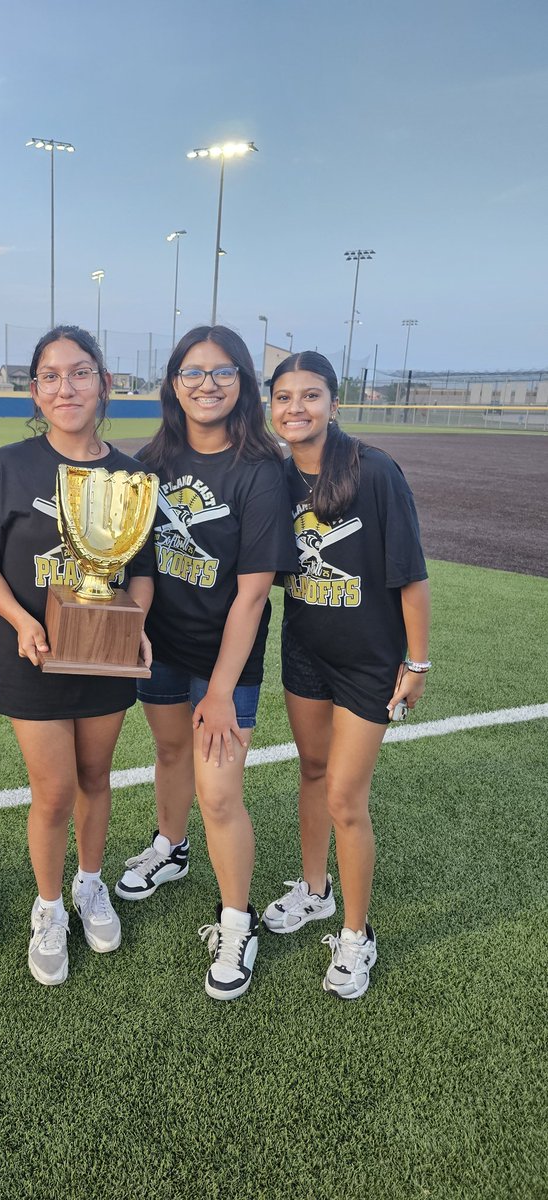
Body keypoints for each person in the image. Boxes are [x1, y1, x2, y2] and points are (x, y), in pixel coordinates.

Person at [0, 325, 154, 986]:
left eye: (80, 372)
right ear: (35, 391)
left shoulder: (129, 476)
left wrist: (133, 622)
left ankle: (89, 886)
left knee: (97, 777)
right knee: (55, 790)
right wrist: (15, 621)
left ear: (105, 384)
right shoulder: (10, 467)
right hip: (31, 654)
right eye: (51, 376)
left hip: (102, 655)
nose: (66, 387)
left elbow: (142, 570)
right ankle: (47, 907)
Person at [113, 326, 298, 1001]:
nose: (207, 383)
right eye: (193, 372)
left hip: (227, 658)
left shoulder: (260, 470)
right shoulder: (150, 460)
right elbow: (132, 561)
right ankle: (171, 846)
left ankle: (236, 919)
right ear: (173, 382)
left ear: (244, 383)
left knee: (218, 793)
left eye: (222, 372)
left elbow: (252, 595)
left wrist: (220, 690)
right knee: (168, 755)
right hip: (160, 647)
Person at [262, 351, 431, 1000]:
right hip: (305, 651)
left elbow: (411, 575)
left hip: (369, 661)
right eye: (283, 397)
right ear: (271, 407)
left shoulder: (375, 472)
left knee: (343, 797)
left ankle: (357, 937)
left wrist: (415, 661)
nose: (295, 408)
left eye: (310, 395)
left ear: (335, 402)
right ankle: (315, 891)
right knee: (310, 770)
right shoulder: (277, 477)